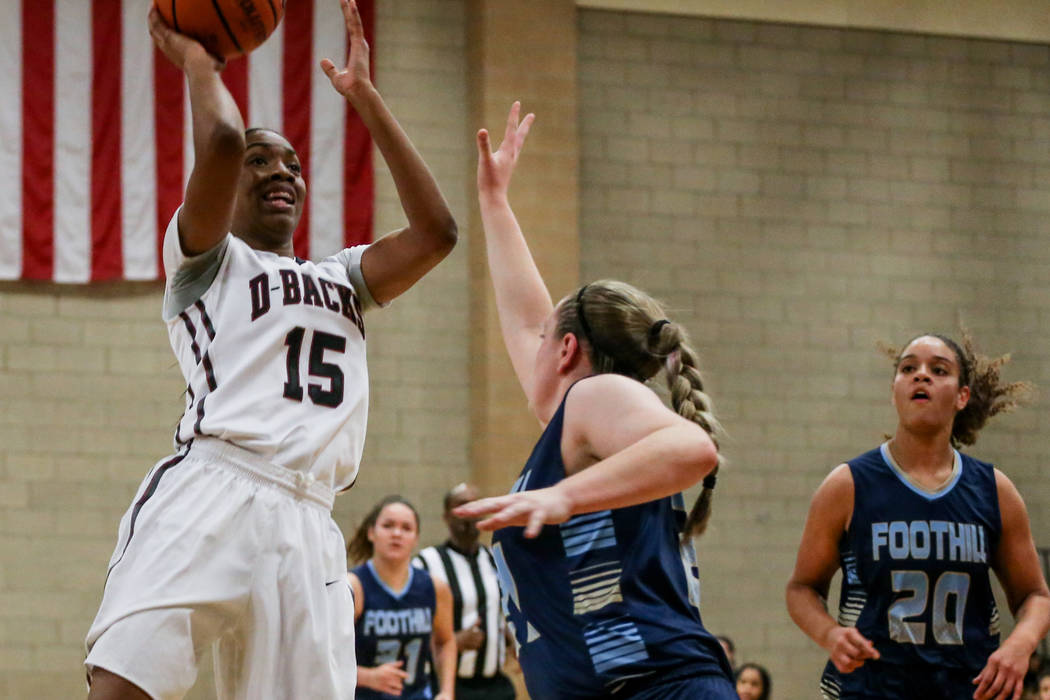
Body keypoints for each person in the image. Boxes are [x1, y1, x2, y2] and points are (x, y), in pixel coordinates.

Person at [84, 2, 457, 698]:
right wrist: (199, 58)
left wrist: (367, 101)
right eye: (261, 162)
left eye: (291, 162)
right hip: (214, 488)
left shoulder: (342, 279)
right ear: (228, 190)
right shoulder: (205, 260)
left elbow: (437, 232)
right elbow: (222, 139)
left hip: (309, 519)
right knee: (121, 686)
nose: (279, 171)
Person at [453, 102, 734, 699]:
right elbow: (529, 319)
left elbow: (694, 448)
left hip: (656, 687)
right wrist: (494, 201)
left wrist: (562, 496)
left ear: (567, 349)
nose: (530, 344)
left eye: (546, 339)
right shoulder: (580, 418)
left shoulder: (596, 397)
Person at [786, 333, 1050, 700]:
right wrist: (829, 634)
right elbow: (802, 588)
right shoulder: (847, 485)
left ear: (962, 396)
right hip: (871, 688)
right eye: (908, 368)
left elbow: (1035, 595)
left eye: (938, 370)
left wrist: (1021, 645)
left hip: (966, 687)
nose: (920, 376)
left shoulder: (994, 490)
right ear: (894, 389)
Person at [414, 483, 516, 700]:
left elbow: (498, 607)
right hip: (449, 686)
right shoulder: (426, 563)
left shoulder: (495, 559)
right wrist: (452, 642)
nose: (471, 512)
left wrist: (510, 637)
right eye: (462, 505)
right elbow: (410, 623)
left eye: (475, 505)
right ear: (446, 517)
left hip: (495, 685)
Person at [347, 496, 456, 700]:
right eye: (388, 526)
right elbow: (324, 656)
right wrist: (367, 676)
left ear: (416, 538)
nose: (397, 533)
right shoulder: (353, 586)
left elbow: (445, 641)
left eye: (406, 528)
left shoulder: (435, 587)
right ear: (371, 532)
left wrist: (447, 691)